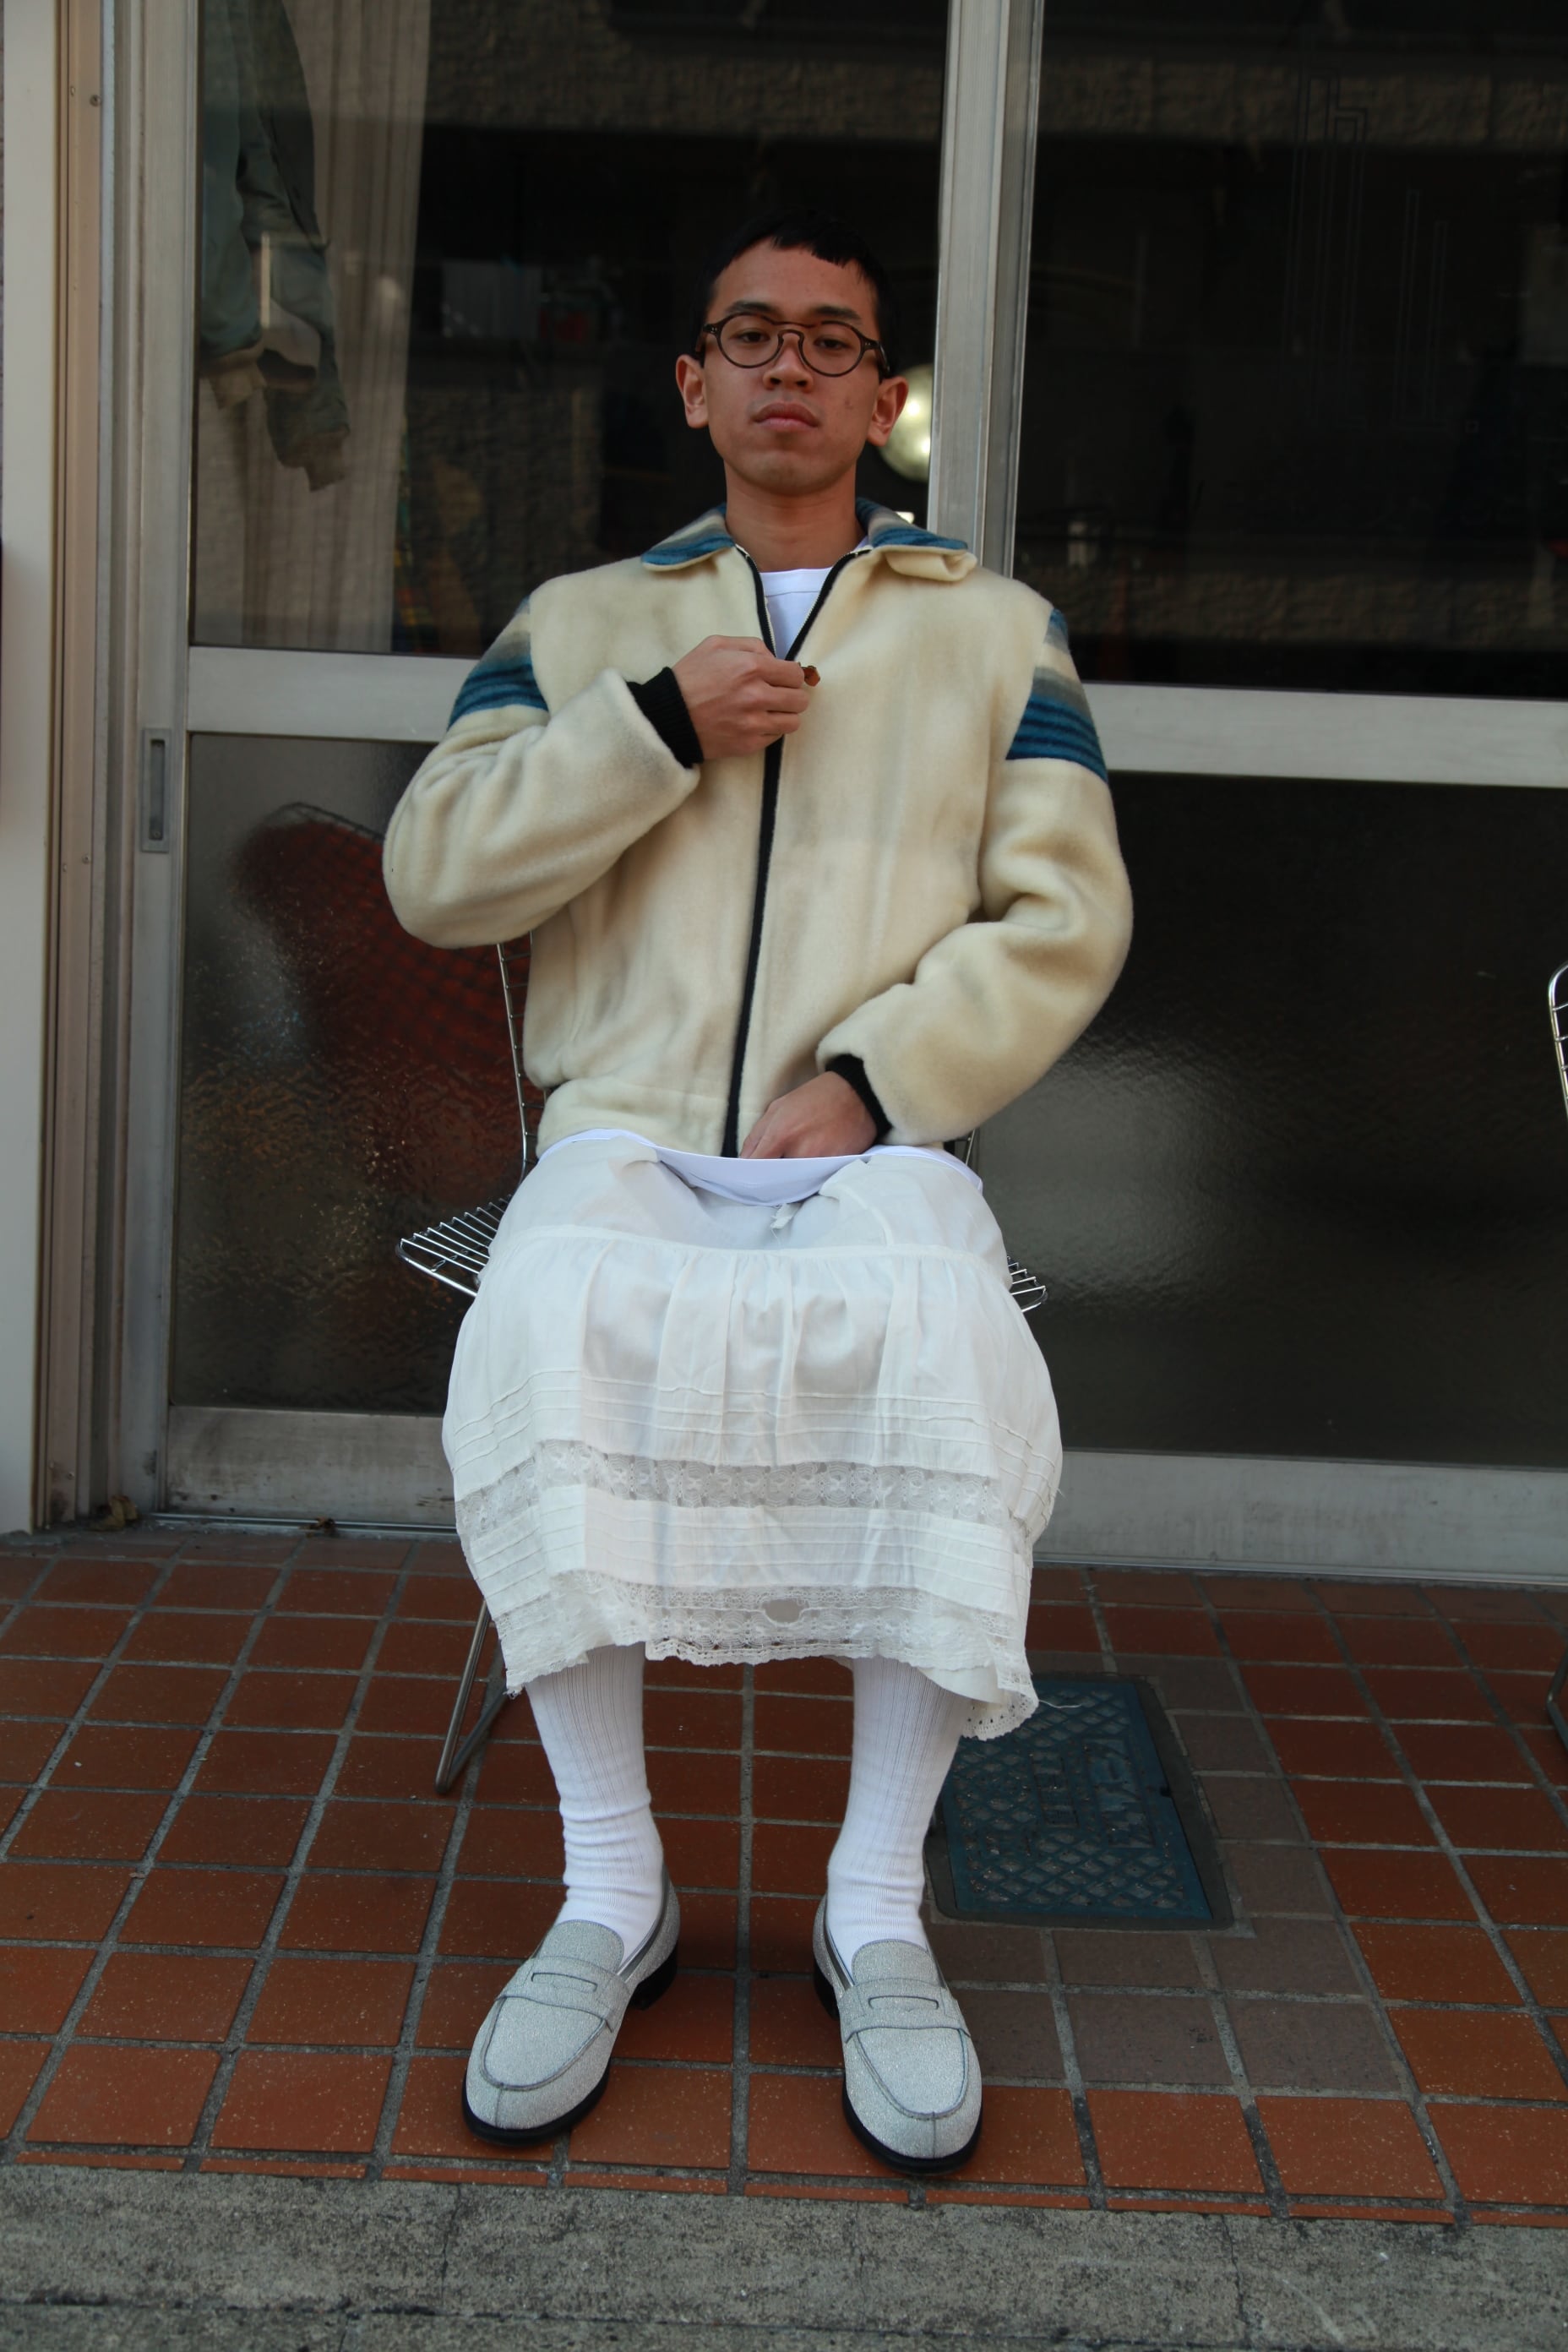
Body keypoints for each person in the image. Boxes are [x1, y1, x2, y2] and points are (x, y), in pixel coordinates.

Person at [383, 210, 1133, 2173]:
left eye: (830, 339)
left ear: (884, 400)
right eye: (748, 335)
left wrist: (877, 1082)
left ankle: (872, 1910)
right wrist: (655, 727)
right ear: (695, 384)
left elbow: (1063, 915)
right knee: (548, 1323)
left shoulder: (996, 633)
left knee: (941, 1345)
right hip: (620, 1128)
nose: (786, 366)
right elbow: (438, 874)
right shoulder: (576, 623)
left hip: (872, 1134)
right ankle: (609, 1890)